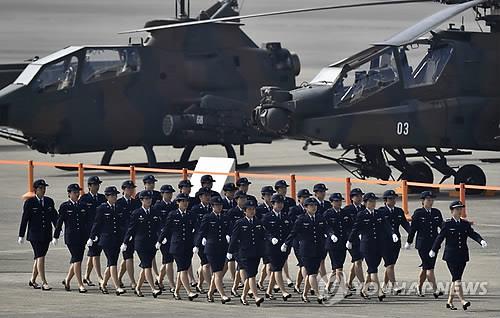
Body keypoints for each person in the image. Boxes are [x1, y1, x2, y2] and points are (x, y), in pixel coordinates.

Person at [429, 200, 487, 311]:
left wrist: (481, 240)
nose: (459, 211)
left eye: (460, 209)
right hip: (451, 256)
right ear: (452, 211)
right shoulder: (447, 224)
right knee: (457, 279)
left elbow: (472, 234)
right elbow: (440, 238)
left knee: (456, 279)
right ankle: (462, 300)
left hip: (462, 255)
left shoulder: (465, 224)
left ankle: (449, 302)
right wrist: (433, 249)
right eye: (457, 209)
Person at [347, 192, 398, 301]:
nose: (373, 203)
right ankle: (379, 292)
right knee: (373, 269)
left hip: (379, 245)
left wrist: (392, 233)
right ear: (365, 203)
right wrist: (350, 240)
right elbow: (355, 229)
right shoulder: (362, 215)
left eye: (374, 201)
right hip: (367, 246)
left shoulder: (379, 213)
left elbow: (386, 225)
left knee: (372, 269)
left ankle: (364, 290)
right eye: (370, 201)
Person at [283, 197, 329, 304]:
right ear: (306, 207)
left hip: (318, 249)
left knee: (311, 274)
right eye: (311, 206)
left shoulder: (320, 218)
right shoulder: (301, 219)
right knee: (312, 273)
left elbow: (327, 228)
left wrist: (331, 235)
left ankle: (304, 294)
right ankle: (318, 295)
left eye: (315, 206)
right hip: (306, 250)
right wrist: (286, 243)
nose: (314, 208)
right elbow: (293, 232)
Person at [156, 193, 199, 301]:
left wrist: (196, 243)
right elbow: (166, 228)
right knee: (182, 269)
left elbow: (196, 230)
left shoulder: (191, 215)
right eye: (182, 201)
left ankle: (176, 291)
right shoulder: (173, 214)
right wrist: (160, 240)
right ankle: (189, 292)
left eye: (186, 201)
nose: (185, 203)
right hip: (176, 246)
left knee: (183, 269)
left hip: (188, 245)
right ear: (178, 203)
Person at [18, 179, 58, 291]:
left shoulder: (49, 201)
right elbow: (24, 219)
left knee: (39, 257)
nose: (43, 190)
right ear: (36, 190)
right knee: (40, 256)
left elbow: (54, 217)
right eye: (41, 188)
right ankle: (44, 282)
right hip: (34, 235)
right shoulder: (30, 202)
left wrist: (59, 229)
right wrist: (21, 235)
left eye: (44, 188)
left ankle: (33, 279)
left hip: (46, 234)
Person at [122, 190, 162, 298]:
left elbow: (158, 227)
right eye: (146, 199)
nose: (149, 201)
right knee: (147, 265)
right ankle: (153, 288)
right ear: (141, 200)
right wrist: (125, 242)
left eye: (150, 199)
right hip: (141, 243)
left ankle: (138, 287)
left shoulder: (154, 212)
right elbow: (131, 229)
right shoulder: (136, 213)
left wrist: (160, 239)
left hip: (152, 243)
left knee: (145, 266)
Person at [87, 186, 126, 296]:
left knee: (111, 263)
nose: (114, 197)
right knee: (112, 262)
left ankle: (103, 283)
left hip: (117, 239)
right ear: (107, 197)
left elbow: (121, 225)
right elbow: (97, 224)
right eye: (112, 195)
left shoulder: (118, 208)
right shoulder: (102, 208)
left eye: (115, 195)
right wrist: (91, 237)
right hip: (106, 240)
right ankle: (117, 286)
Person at [405, 191, 444, 298]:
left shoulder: (436, 212)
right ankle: (435, 290)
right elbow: (413, 229)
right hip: (422, 245)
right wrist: (409, 241)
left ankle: (419, 287)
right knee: (429, 267)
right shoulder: (418, 213)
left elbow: (442, 226)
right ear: (423, 201)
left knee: (426, 267)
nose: (431, 202)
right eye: (428, 200)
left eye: (432, 200)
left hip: (434, 244)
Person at [227, 200, 265, 307]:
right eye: (249, 209)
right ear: (245, 211)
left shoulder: (258, 222)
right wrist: (230, 251)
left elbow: (262, 236)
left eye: (253, 209)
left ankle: (243, 296)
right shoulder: (240, 223)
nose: (252, 211)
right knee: (251, 275)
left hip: (256, 252)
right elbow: (234, 238)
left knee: (251, 275)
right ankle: (256, 297)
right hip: (244, 253)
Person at [195, 196, 232, 304]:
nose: (219, 207)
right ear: (212, 206)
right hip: (211, 248)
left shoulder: (225, 217)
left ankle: (210, 293)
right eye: (216, 205)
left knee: (217, 273)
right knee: (217, 272)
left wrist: (228, 235)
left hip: (222, 247)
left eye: (220, 205)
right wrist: (197, 245)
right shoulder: (208, 217)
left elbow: (229, 229)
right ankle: (222, 295)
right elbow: (202, 231)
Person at [53, 184, 88, 293]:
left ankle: (67, 280)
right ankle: (80, 284)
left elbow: (85, 223)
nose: (77, 194)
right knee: (77, 260)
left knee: (77, 260)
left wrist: (89, 236)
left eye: (78, 192)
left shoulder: (82, 205)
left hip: (82, 236)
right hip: (71, 237)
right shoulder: (65, 206)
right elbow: (59, 222)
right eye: (74, 192)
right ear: (69, 194)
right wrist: (56, 235)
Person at [262, 194, 293, 301]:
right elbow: (264, 231)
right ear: (272, 204)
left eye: (281, 203)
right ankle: (284, 291)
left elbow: (290, 231)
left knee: (276, 268)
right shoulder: (267, 217)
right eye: (277, 203)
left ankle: (268, 291)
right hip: (271, 248)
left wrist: (287, 243)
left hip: (283, 247)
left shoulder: (285, 216)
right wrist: (271, 238)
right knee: (277, 269)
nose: (280, 205)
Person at [379, 189, 410, 294]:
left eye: (394, 198)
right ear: (385, 200)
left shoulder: (399, 211)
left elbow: (405, 224)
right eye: (390, 199)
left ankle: (384, 284)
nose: (393, 201)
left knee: (391, 264)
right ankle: (394, 285)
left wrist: (411, 233)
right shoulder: (381, 212)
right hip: (384, 241)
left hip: (396, 242)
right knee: (390, 264)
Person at [323, 193, 352, 297]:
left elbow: (349, 227)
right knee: (338, 267)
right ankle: (344, 289)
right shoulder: (328, 214)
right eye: (336, 201)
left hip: (342, 243)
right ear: (331, 202)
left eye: (339, 201)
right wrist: (331, 235)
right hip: (332, 244)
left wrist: (350, 239)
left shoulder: (344, 213)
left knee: (336, 268)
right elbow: (326, 227)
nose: (338, 203)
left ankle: (327, 287)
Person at [80, 176, 106, 287]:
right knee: (95, 254)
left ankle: (86, 276)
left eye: (98, 184)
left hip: (100, 230)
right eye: (95, 185)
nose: (97, 186)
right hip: (89, 231)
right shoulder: (84, 199)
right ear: (89, 186)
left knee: (93, 253)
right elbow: (81, 217)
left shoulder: (102, 198)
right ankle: (99, 276)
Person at [116, 180, 141, 289]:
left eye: (132, 188)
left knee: (127, 258)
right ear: (123, 189)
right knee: (129, 257)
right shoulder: (119, 203)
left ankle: (118, 277)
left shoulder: (136, 202)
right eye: (128, 188)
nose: (131, 190)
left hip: (134, 233)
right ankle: (132, 281)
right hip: (123, 234)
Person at [288, 189, 312, 294]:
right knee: (303, 264)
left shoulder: (310, 210)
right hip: (297, 240)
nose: (306, 199)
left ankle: (297, 285)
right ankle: (310, 285)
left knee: (304, 263)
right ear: (299, 199)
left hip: (308, 241)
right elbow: (290, 225)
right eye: (304, 197)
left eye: (307, 197)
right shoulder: (294, 210)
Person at [153, 184, 177, 292]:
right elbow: (156, 223)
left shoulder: (173, 205)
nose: (169, 195)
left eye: (171, 193)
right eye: (167, 193)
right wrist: (160, 236)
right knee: (169, 260)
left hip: (172, 236)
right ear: (162, 194)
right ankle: (172, 285)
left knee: (167, 261)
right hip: (163, 237)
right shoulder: (158, 206)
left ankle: (159, 279)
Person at [190, 187, 213, 293]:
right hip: (200, 238)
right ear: (200, 197)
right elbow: (195, 225)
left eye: (209, 195)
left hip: (211, 238)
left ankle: (199, 284)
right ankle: (210, 286)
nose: (208, 197)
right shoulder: (195, 209)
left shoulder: (211, 208)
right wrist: (197, 242)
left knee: (208, 263)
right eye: (205, 195)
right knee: (206, 263)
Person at [343, 188, 365, 292]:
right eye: (357, 196)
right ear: (352, 198)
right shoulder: (347, 210)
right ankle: (363, 283)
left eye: (361, 196)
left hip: (363, 239)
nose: (360, 198)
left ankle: (349, 282)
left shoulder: (364, 208)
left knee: (356, 261)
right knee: (358, 261)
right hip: (351, 239)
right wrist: (349, 239)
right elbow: (346, 226)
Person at [225, 190, 247, 294]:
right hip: (235, 242)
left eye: (244, 198)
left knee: (240, 265)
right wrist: (228, 235)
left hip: (245, 242)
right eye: (241, 199)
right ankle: (247, 287)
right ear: (236, 200)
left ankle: (234, 287)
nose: (243, 200)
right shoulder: (232, 212)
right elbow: (227, 225)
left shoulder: (248, 211)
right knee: (242, 264)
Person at [256, 186, 275, 290]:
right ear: (263, 196)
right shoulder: (259, 209)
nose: (270, 197)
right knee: (268, 263)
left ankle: (261, 282)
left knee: (267, 262)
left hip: (272, 239)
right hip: (263, 239)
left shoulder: (274, 207)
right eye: (268, 195)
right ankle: (272, 285)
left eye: (271, 194)